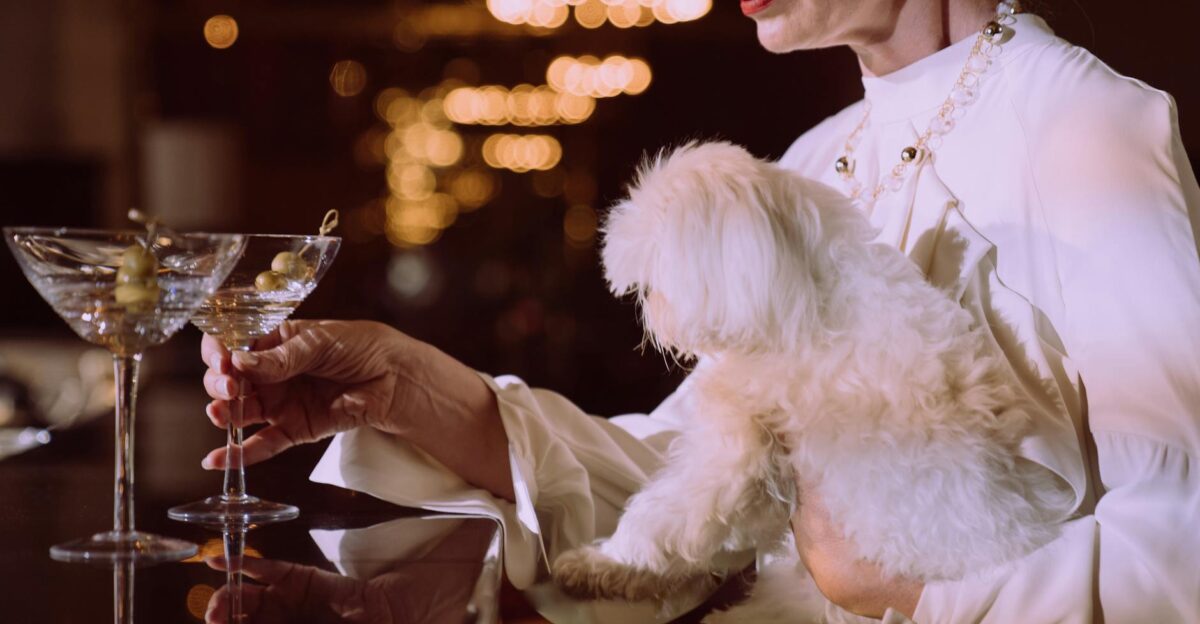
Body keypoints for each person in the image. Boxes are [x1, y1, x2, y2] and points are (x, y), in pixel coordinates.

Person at [200, 0, 1200, 620]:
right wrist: (409, 390)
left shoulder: (1089, 132)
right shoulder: (813, 161)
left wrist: (911, 590)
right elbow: (694, 491)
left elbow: (1181, 557)